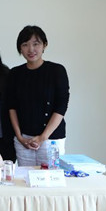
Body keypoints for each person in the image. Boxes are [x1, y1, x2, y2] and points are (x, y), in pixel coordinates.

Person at [7, 25, 70, 166]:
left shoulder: (57, 71)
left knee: (51, 178)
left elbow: (61, 106)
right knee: (24, 177)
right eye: (25, 44)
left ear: (44, 45)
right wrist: (19, 137)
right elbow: (11, 107)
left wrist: (42, 137)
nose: (31, 49)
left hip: (51, 140)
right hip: (24, 141)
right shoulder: (15, 73)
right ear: (20, 48)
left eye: (36, 44)